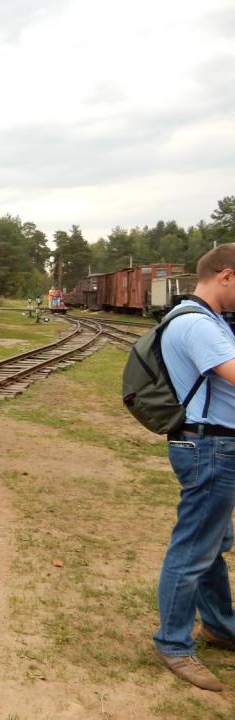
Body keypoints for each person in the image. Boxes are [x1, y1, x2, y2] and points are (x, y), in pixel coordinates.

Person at [154, 244, 235, 690]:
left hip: (213, 447)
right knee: (192, 550)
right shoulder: (199, 326)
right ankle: (172, 642)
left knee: (211, 544)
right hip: (210, 450)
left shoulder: (209, 321)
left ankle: (221, 626)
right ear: (226, 276)